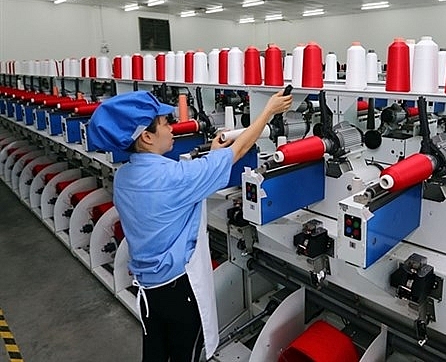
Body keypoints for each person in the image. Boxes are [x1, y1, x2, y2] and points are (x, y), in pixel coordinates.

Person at [86, 90, 292, 362]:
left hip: (149, 291)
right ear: (146, 136)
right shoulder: (176, 178)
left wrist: (213, 156)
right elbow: (239, 150)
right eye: (165, 123)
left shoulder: (124, 177)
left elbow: (178, 182)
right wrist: (269, 111)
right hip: (180, 292)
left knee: (156, 354)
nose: (173, 128)